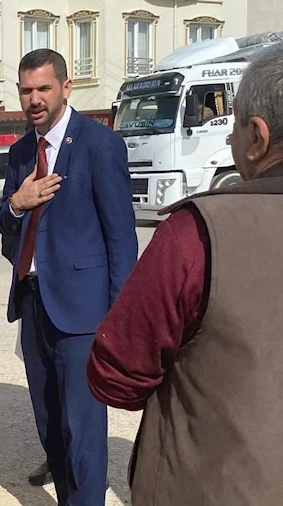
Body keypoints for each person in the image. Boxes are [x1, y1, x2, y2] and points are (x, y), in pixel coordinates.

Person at [88, 43, 283, 505]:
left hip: (216, 485)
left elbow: (115, 373)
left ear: (256, 136)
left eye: (232, 123)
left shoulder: (197, 235)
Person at [0, 49, 137, 505]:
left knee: (83, 430)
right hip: (34, 305)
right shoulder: (20, 153)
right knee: (48, 423)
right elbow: (5, 220)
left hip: (83, 313)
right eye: (25, 91)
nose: (34, 99)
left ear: (65, 88)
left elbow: (121, 237)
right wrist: (18, 202)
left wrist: (118, 317)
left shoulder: (99, 144)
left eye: (43, 89)